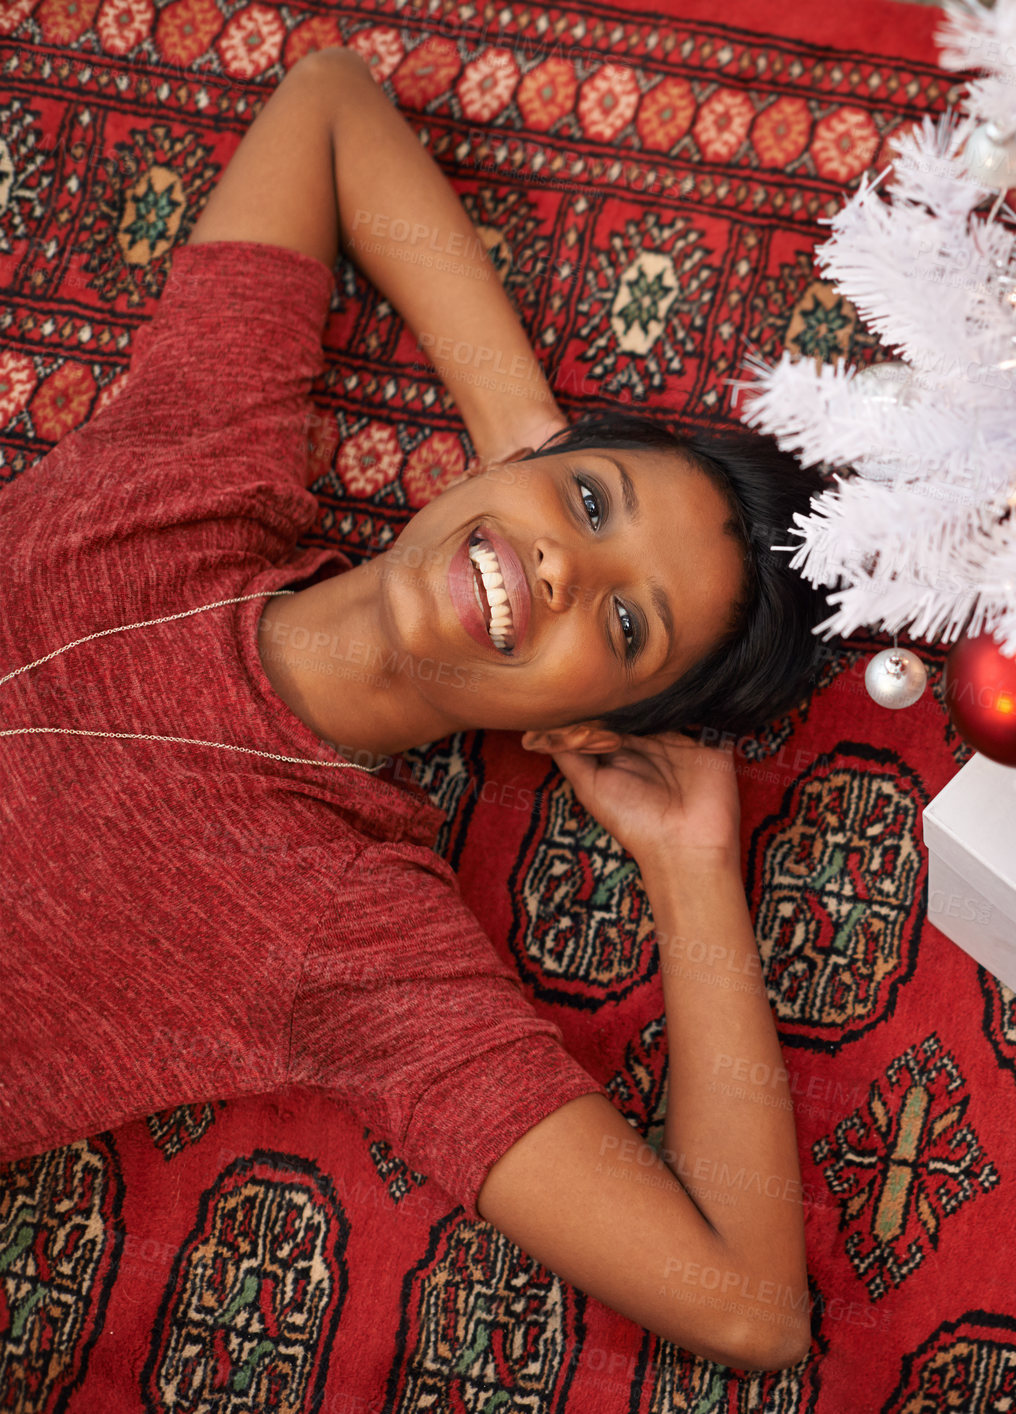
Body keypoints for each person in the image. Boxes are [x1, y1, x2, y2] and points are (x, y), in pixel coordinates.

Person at [0, 47, 831, 1372]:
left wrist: (688, 871)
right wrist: (526, 452)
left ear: (579, 729)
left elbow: (742, 1303)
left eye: (623, 623)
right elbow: (327, 104)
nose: (567, 565)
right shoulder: (192, 474)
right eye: (594, 506)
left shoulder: (350, 933)